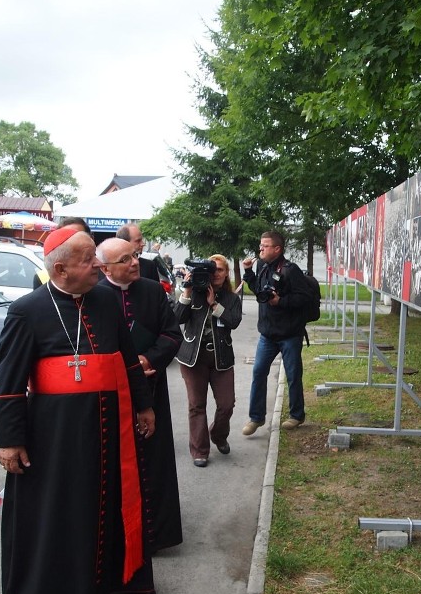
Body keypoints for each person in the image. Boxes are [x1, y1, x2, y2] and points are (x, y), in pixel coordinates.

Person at [0, 226, 157, 594]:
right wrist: (10, 441)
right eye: (88, 260)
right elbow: (8, 381)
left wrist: (144, 405)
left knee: (110, 503)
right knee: (63, 514)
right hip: (55, 437)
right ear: (61, 269)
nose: (97, 265)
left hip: (109, 428)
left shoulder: (104, 299)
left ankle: (116, 582)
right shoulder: (27, 310)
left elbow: (127, 360)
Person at [97, 237, 184, 552]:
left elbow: (172, 334)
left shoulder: (151, 290)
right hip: (110, 397)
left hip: (151, 390)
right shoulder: (94, 296)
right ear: (104, 267)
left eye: (134, 256)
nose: (134, 262)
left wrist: (147, 360)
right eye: (125, 259)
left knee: (153, 462)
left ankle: (155, 535)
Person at [173, 254, 242, 466]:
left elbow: (233, 322)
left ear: (226, 273)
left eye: (220, 270)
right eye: (212, 271)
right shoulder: (194, 293)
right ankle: (199, 450)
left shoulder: (231, 299)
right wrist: (186, 291)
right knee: (197, 405)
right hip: (193, 358)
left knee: (226, 404)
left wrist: (214, 305)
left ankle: (218, 435)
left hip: (221, 358)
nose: (216, 275)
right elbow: (177, 319)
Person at [241, 231, 310, 435]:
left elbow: (304, 299)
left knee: (293, 375)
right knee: (258, 372)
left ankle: (297, 415)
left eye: (265, 245)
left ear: (277, 249)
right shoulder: (263, 266)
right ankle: (256, 418)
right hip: (268, 335)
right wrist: (248, 272)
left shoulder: (291, 270)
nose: (260, 248)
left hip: (289, 334)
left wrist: (281, 301)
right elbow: (258, 290)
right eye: (260, 245)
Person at [33, 217, 92, 289]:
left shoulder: (103, 272)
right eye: (66, 237)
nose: (72, 241)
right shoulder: (43, 277)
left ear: (90, 239)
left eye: (77, 236)